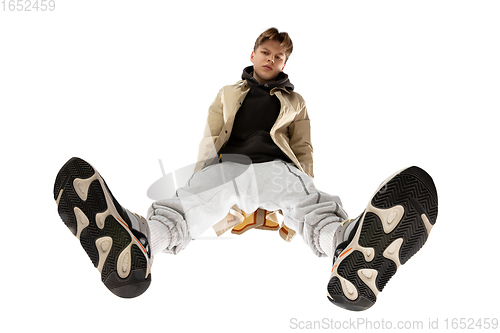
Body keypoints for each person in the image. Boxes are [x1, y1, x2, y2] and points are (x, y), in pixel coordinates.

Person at [53, 28, 438, 311]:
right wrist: (201, 174)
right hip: (227, 168)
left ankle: (348, 248)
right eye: (266, 52)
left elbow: (303, 145)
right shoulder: (228, 93)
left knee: (308, 208)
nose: (272, 59)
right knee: (187, 210)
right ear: (252, 54)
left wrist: (305, 179)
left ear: (286, 63)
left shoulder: (296, 102)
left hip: (277, 169)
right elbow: (211, 133)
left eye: (280, 56)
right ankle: (136, 243)